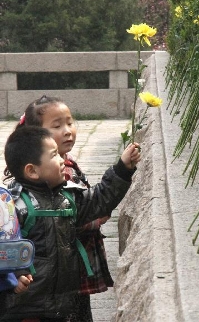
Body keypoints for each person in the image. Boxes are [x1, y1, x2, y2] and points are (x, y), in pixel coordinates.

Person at [0, 125, 140, 321]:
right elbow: (5, 249)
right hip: (24, 306)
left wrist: (122, 169)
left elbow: (100, 199)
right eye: (54, 155)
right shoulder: (13, 206)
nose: (62, 160)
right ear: (32, 171)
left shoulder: (69, 198)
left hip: (66, 304)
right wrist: (16, 274)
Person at [17, 95, 114, 322]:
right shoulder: (52, 175)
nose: (68, 130)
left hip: (72, 262)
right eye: (57, 126)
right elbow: (70, 216)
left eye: (70, 123)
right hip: (63, 263)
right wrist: (97, 216)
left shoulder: (66, 162)